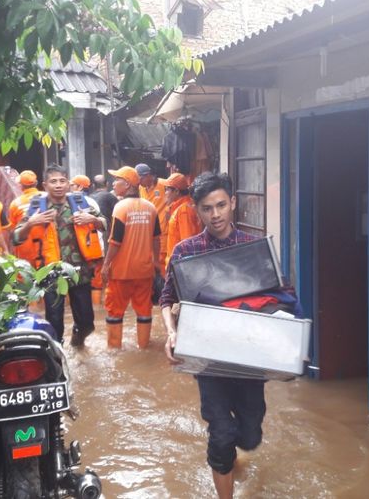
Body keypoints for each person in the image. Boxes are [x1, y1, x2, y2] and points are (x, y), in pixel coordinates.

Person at [160, 172, 266, 499]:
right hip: (207, 359)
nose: (215, 214)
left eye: (221, 205)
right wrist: (172, 332)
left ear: (233, 203)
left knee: (249, 436)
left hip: (248, 357)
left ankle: (236, 453)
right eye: (207, 208)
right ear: (196, 210)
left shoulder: (253, 247)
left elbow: (277, 297)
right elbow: (166, 298)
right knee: (221, 434)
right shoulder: (185, 251)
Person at [12, 164, 106, 347]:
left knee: (87, 323)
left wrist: (93, 220)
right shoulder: (36, 207)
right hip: (50, 272)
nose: (58, 185)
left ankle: (78, 343)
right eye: (53, 181)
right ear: (45, 185)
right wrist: (31, 223)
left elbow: (105, 223)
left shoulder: (80, 203)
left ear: (69, 184)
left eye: (62, 181)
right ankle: (59, 359)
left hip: (79, 271)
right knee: (55, 324)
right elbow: (16, 238)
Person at [101, 166, 161, 349]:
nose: (113, 183)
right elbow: (156, 239)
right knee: (144, 310)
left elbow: (115, 241)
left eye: (117, 179)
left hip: (121, 272)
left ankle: (114, 352)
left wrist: (105, 265)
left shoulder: (120, 207)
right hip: (144, 270)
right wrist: (156, 261)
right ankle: (143, 348)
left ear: (126, 185)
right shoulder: (151, 208)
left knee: (114, 313)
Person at [161, 173, 202, 270]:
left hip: (180, 267)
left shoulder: (184, 211)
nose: (165, 193)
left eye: (167, 189)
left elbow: (187, 244)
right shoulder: (184, 207)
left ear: (176, 191)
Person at [90, 174, 118, 305]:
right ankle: (107, 302)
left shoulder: (88, 198)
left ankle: (97, 306)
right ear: (106, 184)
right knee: (108, 269)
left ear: (93, 186)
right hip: (108, 235)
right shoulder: (111, 197)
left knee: (97, 273)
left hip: (91, 238)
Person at [136, 163, 168, 268]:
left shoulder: (164, 184)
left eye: (140, 179)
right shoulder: (140, 188)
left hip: (163, 231)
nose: (138, 182)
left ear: (148, 175)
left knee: (162, 261)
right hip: (148, 232)